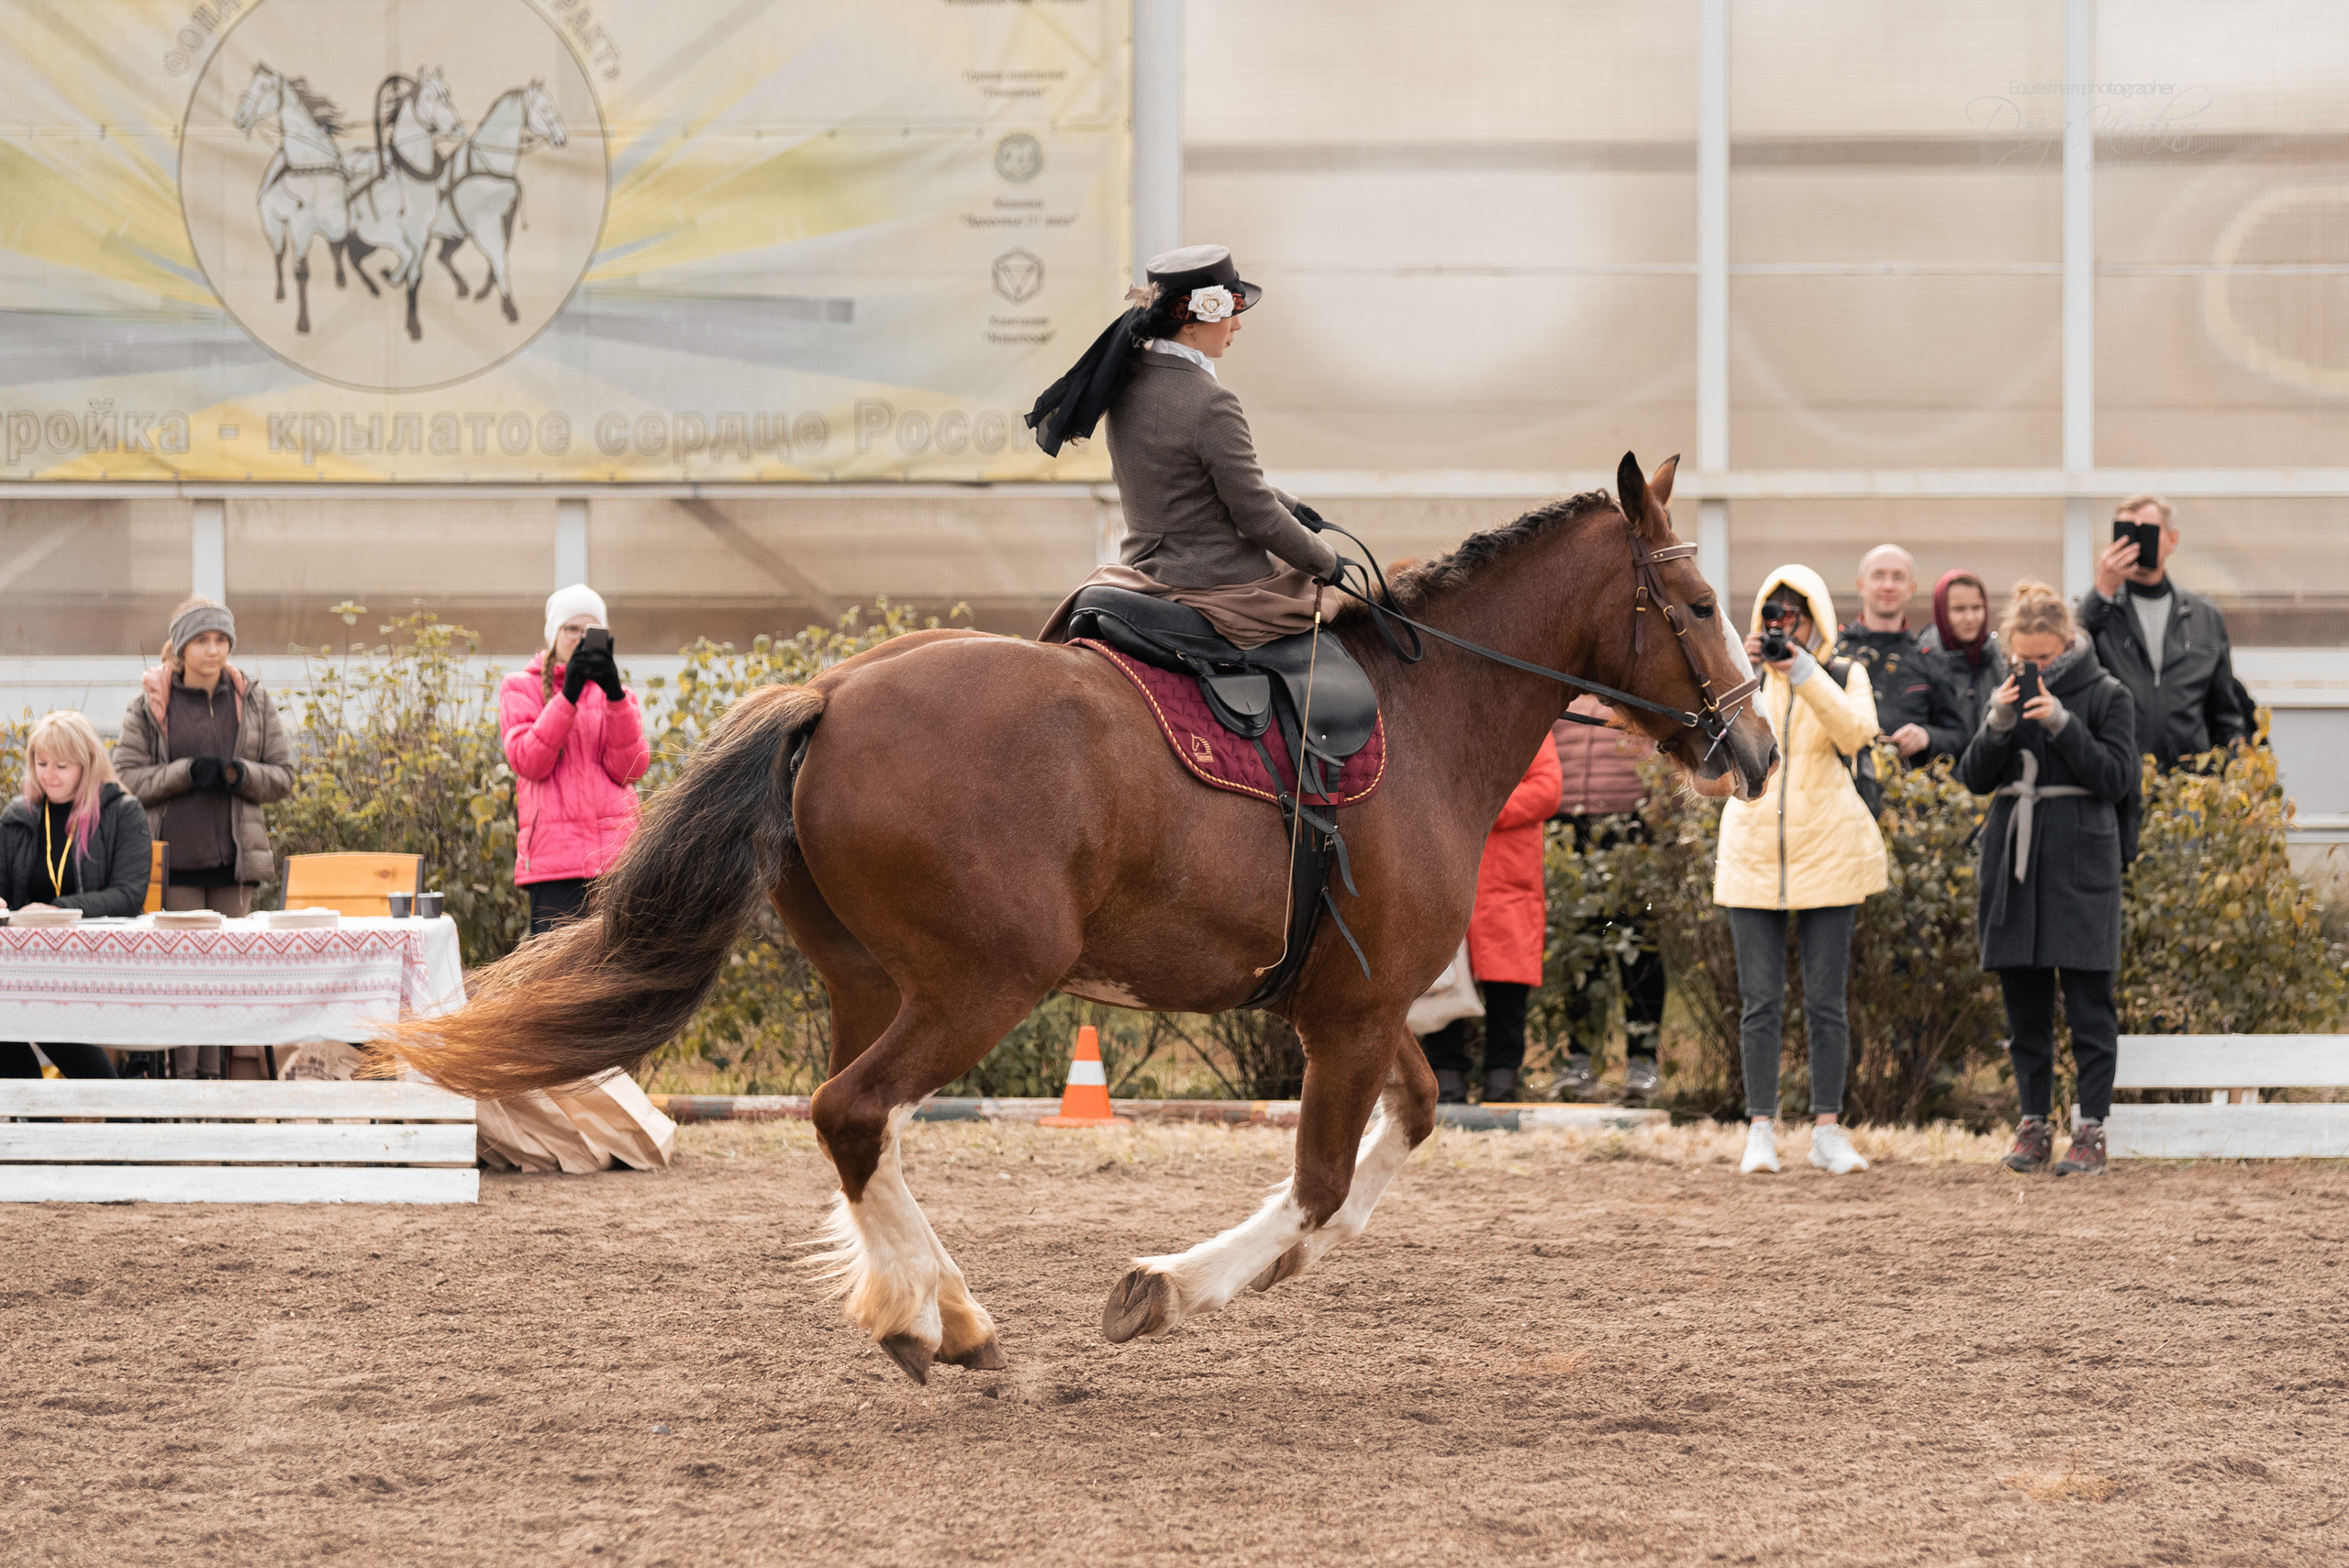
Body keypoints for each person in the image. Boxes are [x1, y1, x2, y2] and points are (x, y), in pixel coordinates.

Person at [1030, 245, 1341, 649]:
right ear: (1190, 324)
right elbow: (1255, 515)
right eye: (1229, 312)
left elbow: (1194, 478)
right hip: (1213, 580)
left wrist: (1293, 507)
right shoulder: (1212, 403)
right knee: (1321, 599)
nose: (1238, 326)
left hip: (1143, 568)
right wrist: (1329, 563)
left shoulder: (1127, 379)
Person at [1959, 583, 2138, 1178]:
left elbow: (2116, 779)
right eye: (2022, 657)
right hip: (2015, 863)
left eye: (2042, 658)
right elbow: (1975, 778)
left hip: (2081, 862)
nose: (2031, 668)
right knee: (2024, 1006)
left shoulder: (2108, 694)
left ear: (2067, 643)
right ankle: (2033, 1122)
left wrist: (2064, 723)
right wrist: (1998, 722)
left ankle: (2092, 1129)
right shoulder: (2003, 688)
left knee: (2090, 1003)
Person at [1715, 566, 1887, 1176]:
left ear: (1817, 620)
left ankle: (1826, 1130)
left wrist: (1805, 671)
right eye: (1774, 614)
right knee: (1759, 1003)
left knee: (1826, 1003)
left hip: (1830, 852)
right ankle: (1760, 1128)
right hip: (1752, 853)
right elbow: (1712, 754)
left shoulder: (1843, 673)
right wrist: (1755, 673)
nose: (1783, 624)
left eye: (1795, 614)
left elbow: (1856, 731)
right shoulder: (1743, 676)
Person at [113, 595, 294, 921]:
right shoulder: (148, 705)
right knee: (185, 966)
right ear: (181, 646)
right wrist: (187, 773)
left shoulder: (254, 700)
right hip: (174, 865)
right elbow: (125, 779)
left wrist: (240, 774)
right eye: (201, 640)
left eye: (221, 640)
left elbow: (282, 777)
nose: (213, 650)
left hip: (235, 868)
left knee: (232, 965)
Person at [0, 712, 154, 1080]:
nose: (48, 774)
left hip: (95, 957)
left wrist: (55, 910)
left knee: (25, 1011)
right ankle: (45, 1118)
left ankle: (105, 1108)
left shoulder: (123, 812)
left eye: (61, 765)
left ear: (87, 765)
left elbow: (128, 896)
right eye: (40, 763)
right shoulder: (17, 817)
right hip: (28, 961)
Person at [503, 584, 650, 936]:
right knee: (556, 982)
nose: (581, 639)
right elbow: (529, 761)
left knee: (617, 975)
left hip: (617, 859)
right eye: (571, 629)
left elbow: (630, 769)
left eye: (591, 631)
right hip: (555, 864)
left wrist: (615, 696)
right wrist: (567, 695)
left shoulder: (620, 695)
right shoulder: (519, 687)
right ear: (554, 634)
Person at [1420, 741, 1562, 1104]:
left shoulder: (1533, 722)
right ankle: (1446, 1081)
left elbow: (1547, 791)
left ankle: (1502, 1084)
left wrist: (1477, 806)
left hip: (1507, 879)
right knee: (1444, 978)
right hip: (1450, 870)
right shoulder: (1445, 712)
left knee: (1508, 986)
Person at [2078, 494, 2250, 773]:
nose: (2135, 541)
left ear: (2172, 540)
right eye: (2127, 532)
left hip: (2189, 786)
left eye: (2146, 530)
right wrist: (2102, 591)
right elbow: (2068, 659)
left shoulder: (2205, 616)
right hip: (2119, 778)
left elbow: (2224, 711)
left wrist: (2233, 773)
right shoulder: (2100, 611)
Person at [1549, 696, 1665, 1102]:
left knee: (1640, 949)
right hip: (1568, 828)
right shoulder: (1562, 689)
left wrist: (1656, 815)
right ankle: (1579, 1061)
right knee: (1580, 952)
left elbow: (1667, 754)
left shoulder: (1636, 688)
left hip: (1632, 829)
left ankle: (1643, 1062)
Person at [1834, 543, 1968, 767]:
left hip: (1906, 794)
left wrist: (1927, 736)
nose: (1888, 585)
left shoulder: (1929, 660)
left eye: (1898, 577)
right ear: (1861, 585)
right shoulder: (1833, 654)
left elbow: (1959, 737)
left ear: (1911, 589)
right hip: (1840, 792)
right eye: (1878, 575)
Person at [1917, 569, 2008, 745]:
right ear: (1942, 612)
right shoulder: (1922, 663)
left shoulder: (1999, 660)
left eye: (1977, 608)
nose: (1970, 618)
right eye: (1959, 609)